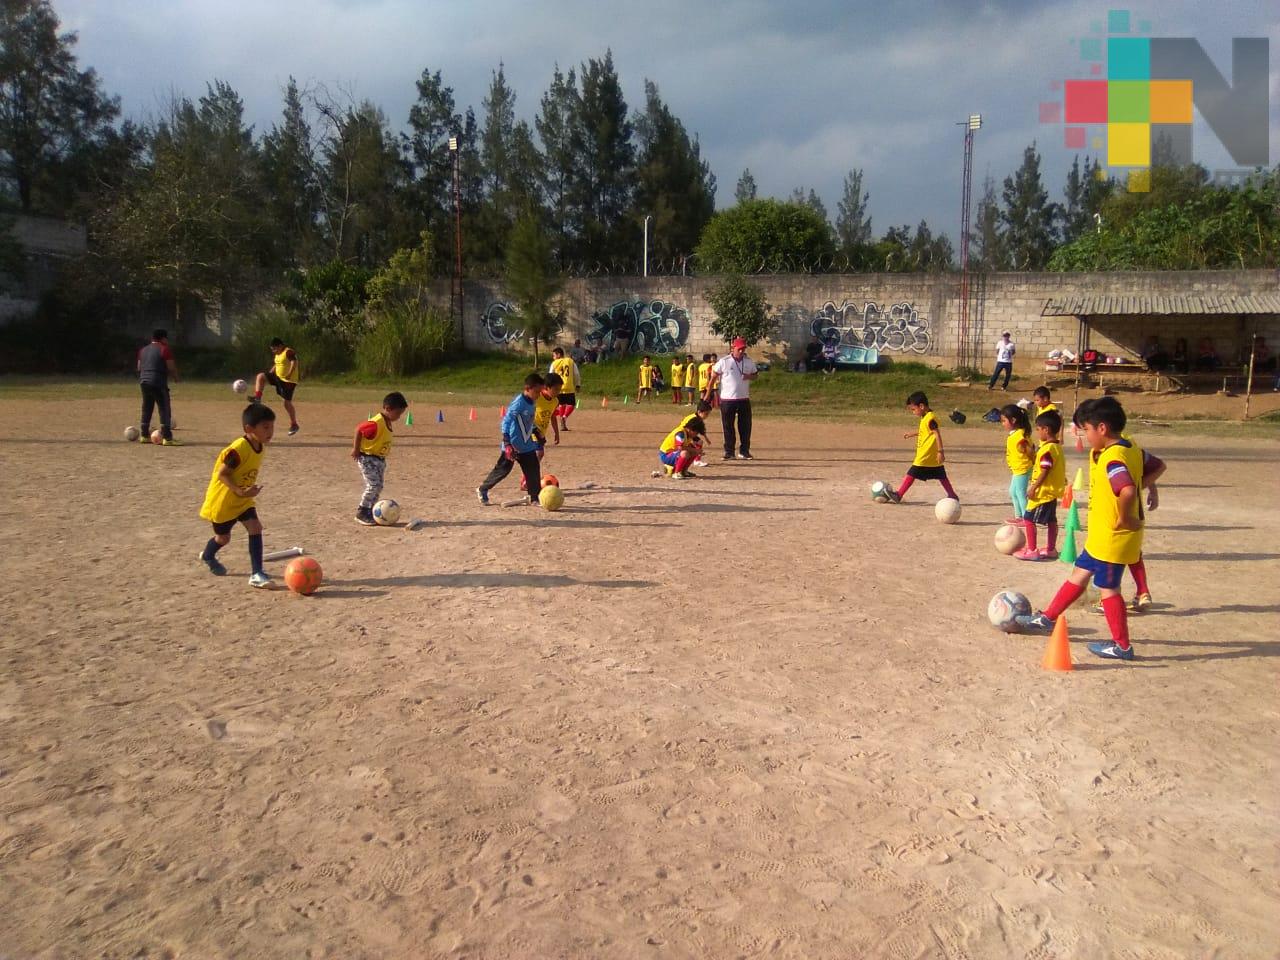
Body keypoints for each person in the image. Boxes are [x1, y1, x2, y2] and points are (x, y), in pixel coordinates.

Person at [1017, 397, 1144, 661]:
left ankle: (1122, 646)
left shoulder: (1113, 457)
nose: (1084, 436)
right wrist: (1149, 487)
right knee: (1079, 573)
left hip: (1112, 537)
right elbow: (1154, 466)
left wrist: (1123, 516)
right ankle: (1049, 618)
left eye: (1086, 430)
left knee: (1109, 589)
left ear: (1102, 428)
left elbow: (1128, 488)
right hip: (1101, 536)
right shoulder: (1130, 447)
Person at [198, 403, 276, 588]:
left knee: (255, 527)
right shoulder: (238, 448)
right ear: (249, 429)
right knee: (223, 539)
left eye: (272, 426)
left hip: (243, 499)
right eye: (265, 427)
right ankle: (208, 555)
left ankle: (257, 573)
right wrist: (240, 490)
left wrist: (245, 493)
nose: (270, 431)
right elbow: (222, 474)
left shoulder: (260, 446)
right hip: (223, 501)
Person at [476, 373, 543, 505]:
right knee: (502, 470)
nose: (538, 395)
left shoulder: (532, 403)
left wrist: (537, 431)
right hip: (513, 444)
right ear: (528, 388)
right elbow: (506, 421)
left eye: (540, 392)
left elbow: (528, 421)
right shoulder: (518, 403)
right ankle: (482, 489)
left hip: (526, 445)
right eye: (536, 391)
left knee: (533, 469)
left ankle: (534, 498)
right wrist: (507, 443)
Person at [885, 391, 959, 503]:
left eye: (913, 409)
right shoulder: (925, 417)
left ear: (921, 406)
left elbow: (936, 433)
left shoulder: (930, 418)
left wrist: (940, 451)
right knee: (941, 475)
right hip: (929, 455)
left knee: (912, 472)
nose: (913, 412)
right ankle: (952, 495)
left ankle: (899, 495)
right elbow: (924, 431)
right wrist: (912, 434)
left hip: (926, 454)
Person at [1014, 409, 1065, 561]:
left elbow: (1045, 470)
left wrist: (1033, 487)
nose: (1037, 432)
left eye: (1038, 429)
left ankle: (1031, 550)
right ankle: (1050, 549)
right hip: (1051, 491)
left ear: (1046, 429)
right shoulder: (1056, 447)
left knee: (1029, 518)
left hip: (1042, 493)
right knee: (1051, 520)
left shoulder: (1048, 449)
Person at [351, 392, 409, 526]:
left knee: (379, 485)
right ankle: (362, 511)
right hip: (368, 458)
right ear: (388, 408)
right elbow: (359, 430)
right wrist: (356, 449)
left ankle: (370, 509)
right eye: (398, 413)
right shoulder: (377, 422)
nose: (399, 417)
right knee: (374, 485)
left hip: (379, 460)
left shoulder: (387, 421)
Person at [709, 337, 758, 460]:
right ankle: (729, 452)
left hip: (743, 399)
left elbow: (755, 375)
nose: (741, 351)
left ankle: (744, 451)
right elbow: (713, 377)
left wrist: (749, 376)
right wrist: (707, 394)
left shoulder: (748, 361)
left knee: (745, 426)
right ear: (733, 348)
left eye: (743, 349)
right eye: (739, 349)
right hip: (727, 400)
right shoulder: (724, 361)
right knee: (728, 426)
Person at [137, 328, 180, 445]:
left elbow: (139, 367)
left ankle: (144, 435)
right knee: (164, 408)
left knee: (147, 407)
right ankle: (167, 438)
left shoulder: (143, 350)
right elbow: (171, 367)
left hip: (144, 382)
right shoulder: (164, 349)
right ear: (163, 339)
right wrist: (176, 378)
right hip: (158, 382)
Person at [253, 338, 301, 436]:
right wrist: (270, 373)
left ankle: (294, 424)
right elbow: (277, 364)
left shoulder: (288, 352)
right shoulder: (278, 354)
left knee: (286, 403)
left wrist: (289, 373)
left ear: (280, 346)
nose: (273, 351)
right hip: (278, 378)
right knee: (261, 376)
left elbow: (294, 362)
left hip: (288, 381)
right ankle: (257, 398)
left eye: (274, 349)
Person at [999, 404, 1033, 524]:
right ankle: (1019, 516)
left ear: (1013, 420)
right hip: (1017, 469)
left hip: (1022, 468)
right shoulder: (1015, 434)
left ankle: (1027, 518)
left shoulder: (1019, 436)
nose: (1002, 423)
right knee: (1013, 492)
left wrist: (1034, 463)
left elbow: (1029, 450)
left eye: (1004, 421)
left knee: (1020, 493)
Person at [656, 414, 706, 479]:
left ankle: (684, 471)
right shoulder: (680, 433)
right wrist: (695, 450)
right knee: (685, 453)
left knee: (692, 450)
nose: (696, 435)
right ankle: (677, 473)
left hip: (674, 453)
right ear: (690, 429)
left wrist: (698, 451)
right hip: (665, 455)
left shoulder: (689, 434)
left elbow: (698, 442)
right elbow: (680, 447)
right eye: (696, 433)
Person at [548, 347, 580, 434]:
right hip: (569, 386)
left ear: (558, 354)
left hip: (558, 388)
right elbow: (576, 374)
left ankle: (562, 420)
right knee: (572, 404)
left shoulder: (554, 363)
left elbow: (550, 375)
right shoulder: (570, 361)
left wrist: (549, 386)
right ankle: (564, 418)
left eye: (554, 355)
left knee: (561, 404)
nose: (553, 357)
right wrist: (577, 384)